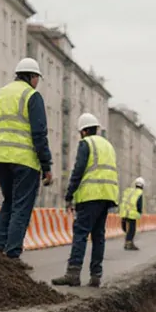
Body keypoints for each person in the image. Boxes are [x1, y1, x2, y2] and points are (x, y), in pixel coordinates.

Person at [0, 57, 53, 259]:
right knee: (21, 207)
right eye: (37, 78)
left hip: (1, 159)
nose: (37, 82)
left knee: (9, 202)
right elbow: (39, 134)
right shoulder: (32, 96)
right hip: (25, 162)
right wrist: (46, 165)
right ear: (31, 77)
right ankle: (12, 256)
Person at [52, 113, 119, 288]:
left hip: (90, 195)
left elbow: (78, 170)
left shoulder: (86, 144)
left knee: (81, 233)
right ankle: (96, 275)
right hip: (107, 195)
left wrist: (69, 194)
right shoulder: (108, 146)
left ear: (83, 131)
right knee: (98, 235)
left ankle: (73, 273)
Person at [120, 176, 145, 251]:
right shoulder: (139, 193)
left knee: (126, 229)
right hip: (132, 213)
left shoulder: (128, 191)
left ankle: (128, 242)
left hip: (124, 213)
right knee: (132, 229)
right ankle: (129, 243)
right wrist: (139, 212)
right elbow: (139, 204)